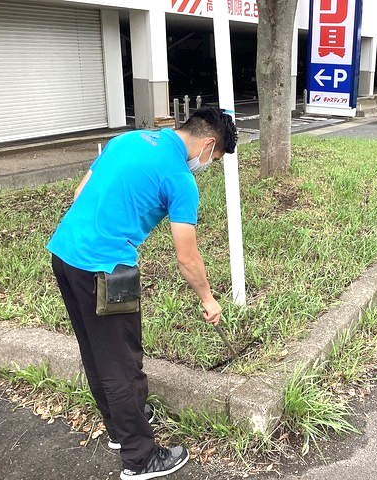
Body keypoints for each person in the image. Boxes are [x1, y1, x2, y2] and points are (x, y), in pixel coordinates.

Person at [47, 107, 238, 480]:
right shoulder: (180, 178)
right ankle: (140, 458)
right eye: (212, 160)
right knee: (122, 364)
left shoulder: (127, 140)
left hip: (65, 253)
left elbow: (79, 191)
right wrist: (208, 298)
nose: (207, 165)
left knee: (96, 351)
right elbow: (187, 257)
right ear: (209, 144)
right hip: (105, 269)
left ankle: (121, 427)